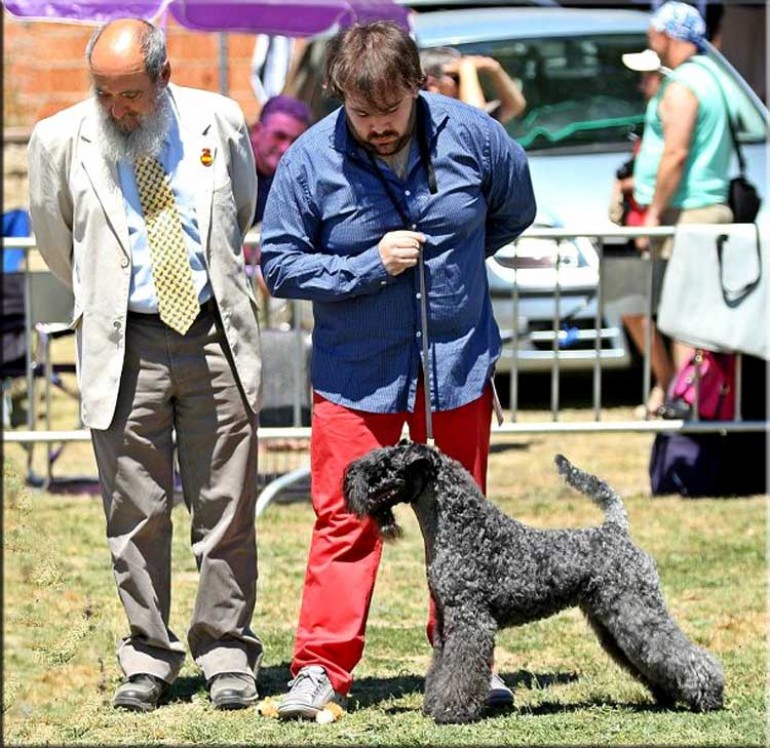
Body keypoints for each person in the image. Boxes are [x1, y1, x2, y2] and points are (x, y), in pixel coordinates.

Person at [259, 20, 536, 719]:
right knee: (346, 519)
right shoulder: (309, 160)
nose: (379, 127)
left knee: (461, 526)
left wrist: (458, 263)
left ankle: (469, 665)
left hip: (457, 366)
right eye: (362, 114)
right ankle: (320, 671)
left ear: (418, 86)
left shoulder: (474, 137)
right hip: (357, 377)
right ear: (337, 94)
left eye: (391, 112)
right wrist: (367, 266)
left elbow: (514, 210)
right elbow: (282, 264)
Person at [27, 18, 263, 712]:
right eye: (105, 92)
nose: (117, 108)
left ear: (162, 77)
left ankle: (225, 651)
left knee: (226, 505)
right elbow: (56, 238)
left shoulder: (219, 120)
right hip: (125, 341)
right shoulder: (60, 138)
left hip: (213, 336)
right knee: (136, 510)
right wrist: (108, 301)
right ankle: (148, 656)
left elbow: (240, 210)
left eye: (130, 93)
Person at [634, 0, 733, 374]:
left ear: (669, 34)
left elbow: (675, 152)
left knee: (684, 316)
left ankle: (689, 411)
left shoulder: (683, 85)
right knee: (689, 312)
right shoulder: (710, 75)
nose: (649, 38)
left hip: (689, 213)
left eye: (653, 31)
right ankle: (692, 405)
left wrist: (654, 213)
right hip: (701, 209)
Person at [608, 48, 675, 417]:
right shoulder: (656, 111)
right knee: (631, 307)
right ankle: (665, 383)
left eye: (649, 75)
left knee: (640, 307)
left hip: (651, 221)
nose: (642, 83)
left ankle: (668, 386)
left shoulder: (671, 106)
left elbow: (669, 163)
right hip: (639, 221)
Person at [250, 95, 312, 228]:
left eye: (295, 141)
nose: (286, 148)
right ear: (256, 131)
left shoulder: (300, 183)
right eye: (279, 136)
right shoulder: (232, 174)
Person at [420, 46, 526, 124]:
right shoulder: (429, 118)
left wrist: (495, 68)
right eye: (460, 78)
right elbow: (476, 122)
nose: (467, 84)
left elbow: (514, 106)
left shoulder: (465, 111)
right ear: (433, 85)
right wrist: (467, 68)